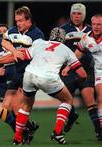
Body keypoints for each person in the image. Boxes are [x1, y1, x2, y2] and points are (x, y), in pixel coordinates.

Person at [0, 6, 45, 144]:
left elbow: (17, 56)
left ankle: (23, 134)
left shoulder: (37, 35)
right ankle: (29, 127)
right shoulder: (11, 32)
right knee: (6, 106)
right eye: (16, 20)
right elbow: (1, 42)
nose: (18, 23)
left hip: (30, 74)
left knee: (18, 108)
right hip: (18, 74)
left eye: (21, 20)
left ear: (29, 20)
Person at [12, 38, 87, 145]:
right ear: (63, 39)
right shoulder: (66, 49)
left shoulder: (40, 43)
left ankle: (17, 138)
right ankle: (57, 133)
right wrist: (80, 79)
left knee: (25, 105)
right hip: (48, 77)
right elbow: (82, 74)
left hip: (29, 74)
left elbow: (23, 56)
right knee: (68, 100)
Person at [59, 3, 101, 137]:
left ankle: (99, 131)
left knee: (90, 100)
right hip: (69, 71)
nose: (76, 16)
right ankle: (71, 117)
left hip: (87, 71)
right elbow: (57, 49)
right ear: (71, 15)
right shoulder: (62, 29)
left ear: (83, 15)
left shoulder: (91, 29)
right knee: (65, 99)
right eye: (74, 13)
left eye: (79, 14)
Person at [74, 13, 102, 141]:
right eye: (94, 24)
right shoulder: (86, 38)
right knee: (100, 97)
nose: (96, 27)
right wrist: (68, 66)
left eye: (99, 24)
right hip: (99, 72)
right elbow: (77, 54)